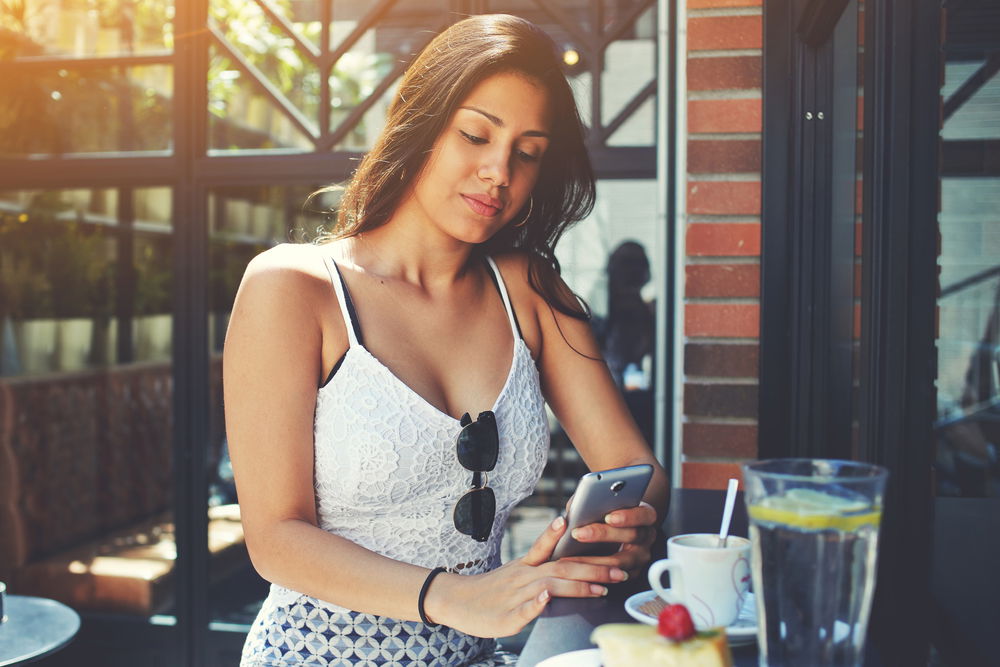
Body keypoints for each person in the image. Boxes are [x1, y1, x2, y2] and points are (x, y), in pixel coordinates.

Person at [224, 14, 669, 667]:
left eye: (528, 152)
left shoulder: (530, 292)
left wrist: (624, 528)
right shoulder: (294, 289)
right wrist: (456, 596)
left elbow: (639, 473)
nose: (499, 171)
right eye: (476, 134)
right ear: (422, 121)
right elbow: (275, 538)